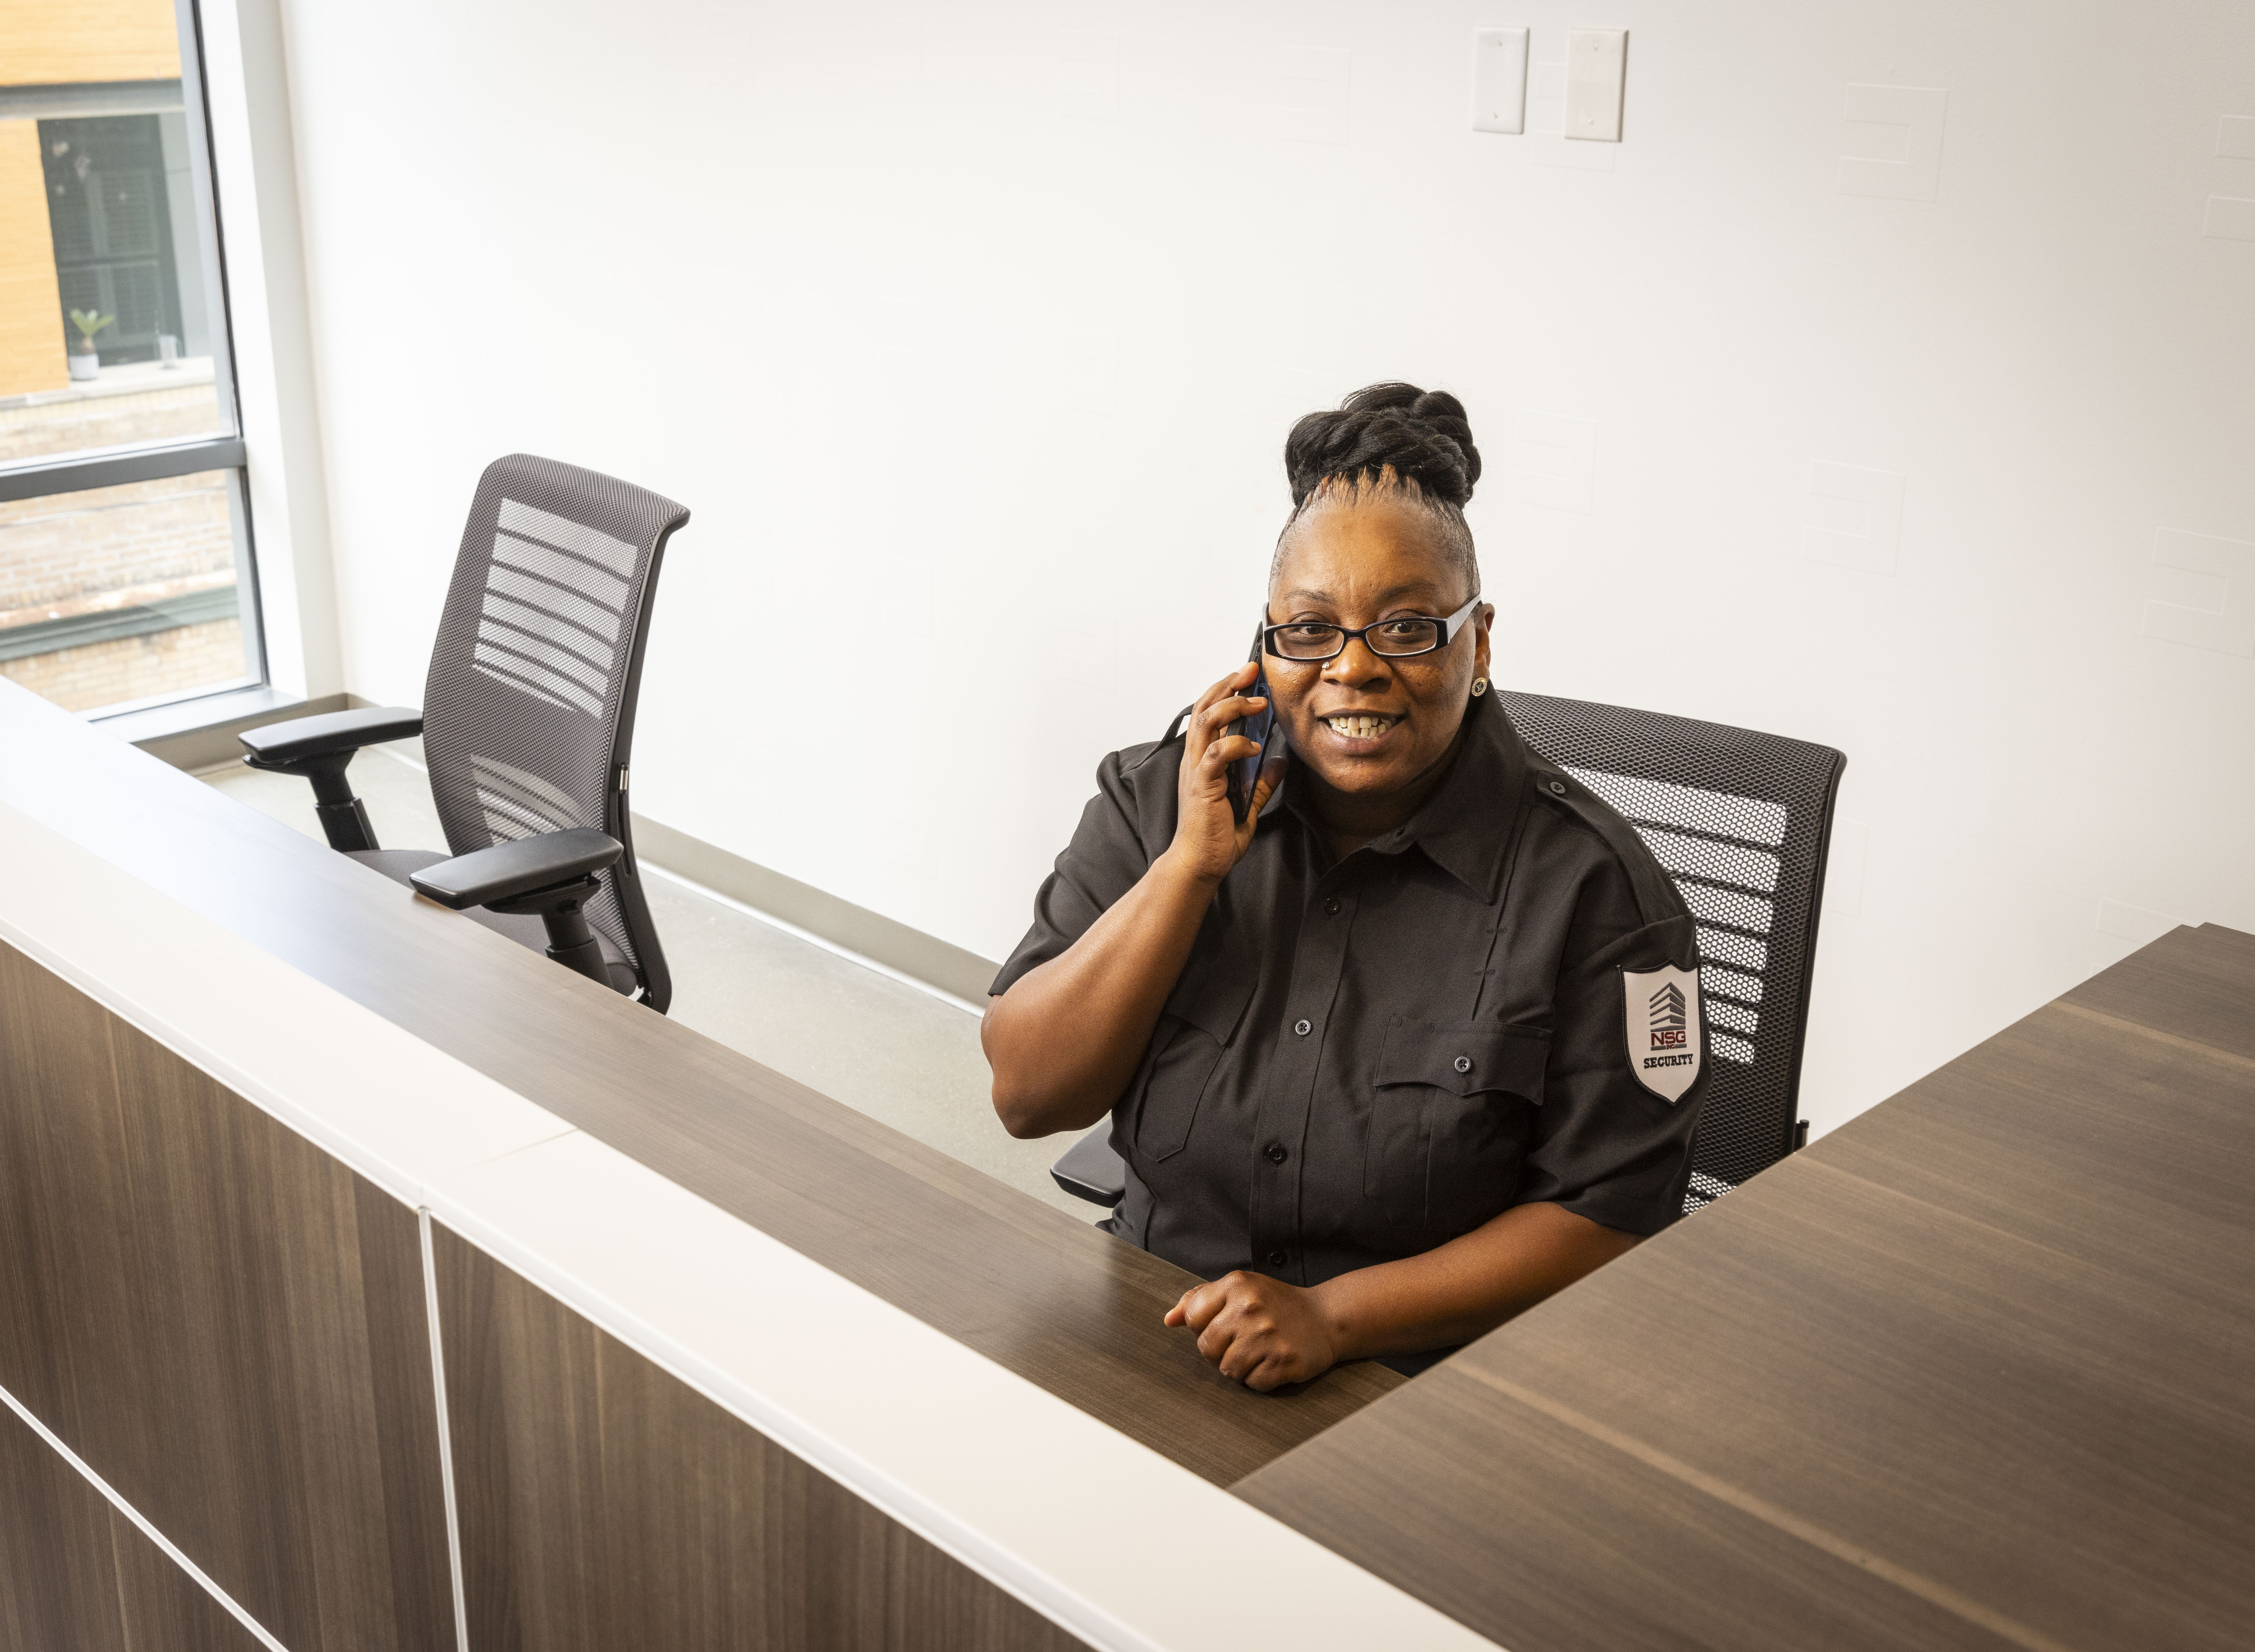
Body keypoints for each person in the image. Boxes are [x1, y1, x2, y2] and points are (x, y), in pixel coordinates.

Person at [982, 383, 1709, 1390]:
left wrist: (1335, 1317)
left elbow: (1613, 1220)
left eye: (1408, 629)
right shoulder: (1160, 802)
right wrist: (1187, 873)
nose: (1353, 670)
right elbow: (1026, 1095)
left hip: (1427, 1387)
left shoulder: (1600, 894)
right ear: (1265, 647)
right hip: (1156, 1325)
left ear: (1480, 641)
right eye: (1312, 630)